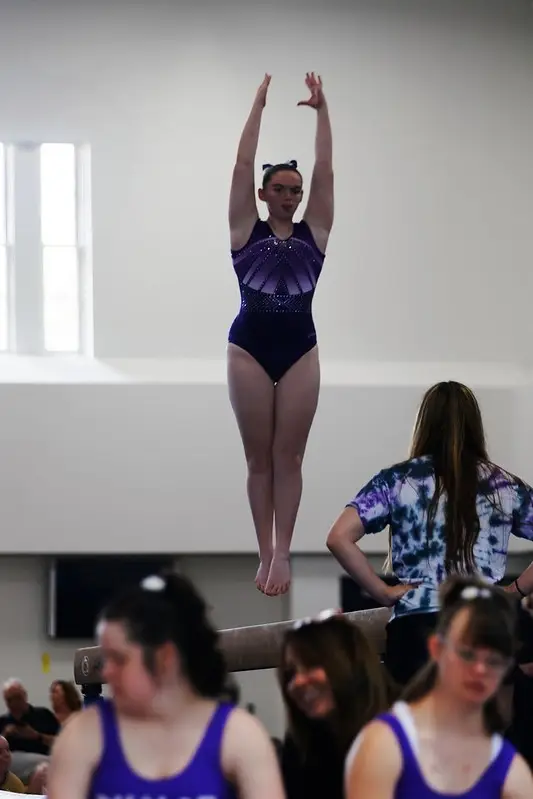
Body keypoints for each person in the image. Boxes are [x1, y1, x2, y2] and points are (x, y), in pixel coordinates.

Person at [326, 380, 533, 686]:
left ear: (424, 424)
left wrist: (382, 592)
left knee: (418, 731)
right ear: (474, 425)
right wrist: (514, 591)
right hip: (483, 624)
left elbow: (338, 537)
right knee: (478, 730)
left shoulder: (396, 480)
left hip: (416, 628)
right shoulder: (502, 485)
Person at [227, 72, 334, 597]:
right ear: (264, 193)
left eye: (296, 190)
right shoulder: (246, 228)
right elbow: (241, 164)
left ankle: (284, 551)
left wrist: (322, 112)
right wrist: (258, 105)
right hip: (248, 349)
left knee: (289, 456)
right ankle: (264, 551)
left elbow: (328, 169)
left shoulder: (317, 230)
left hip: (300, 351)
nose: (291, 196)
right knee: (258, 458)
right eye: (281, 189)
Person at [47, 570, 285, 799]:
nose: (106, 671)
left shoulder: (239, 736)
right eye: (106, 658)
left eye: (119, 659)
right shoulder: (82, 736)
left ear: (165, 658)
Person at [345, 576, 533, 798]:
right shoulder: (384, 747)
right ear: (437, 649)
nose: (480, 670)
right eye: (467, 655)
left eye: (494, 661)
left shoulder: (512, 770)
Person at [278, 610, 391, 799]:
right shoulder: (299, 747)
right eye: (290, 674)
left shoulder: (404, 730)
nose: (297, 682)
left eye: (311, 665)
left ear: (345, 664)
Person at [0, 679, 59, 755]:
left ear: (25, 695)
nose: (14, 702)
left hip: (42, 761)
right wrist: (5, 736)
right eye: (9, 700)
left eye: (17, 697)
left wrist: (38, 736)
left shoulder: (43, 715)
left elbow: (62, 742)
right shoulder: (2, 722)